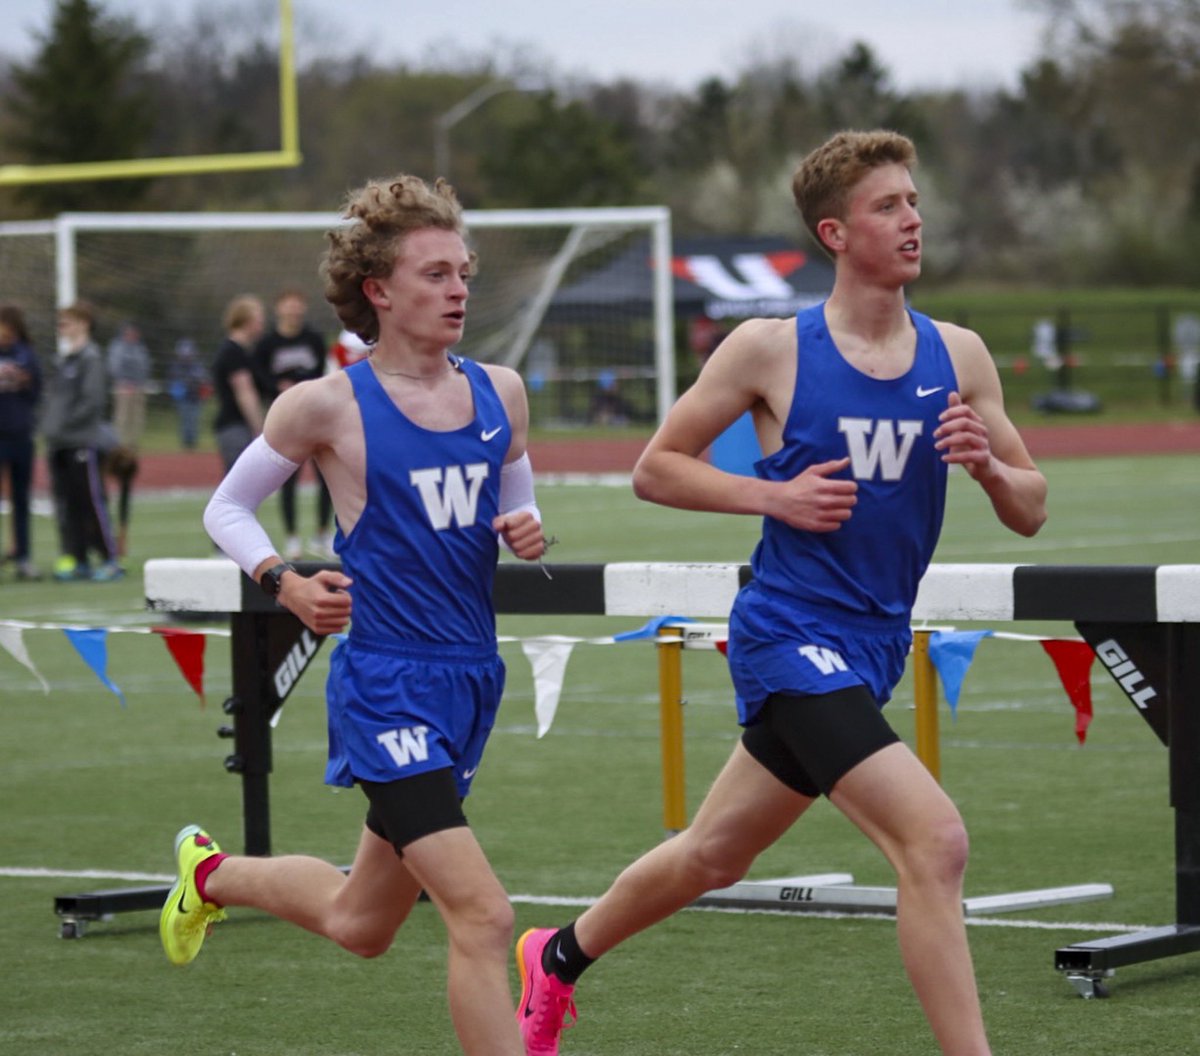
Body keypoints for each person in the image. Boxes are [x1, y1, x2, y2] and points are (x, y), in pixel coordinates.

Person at [514, 129, 1048, 1056]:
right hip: (788, 631)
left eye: (914, 201)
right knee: (936, 841)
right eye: (889, 206)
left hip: (874, 643)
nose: (913, 219)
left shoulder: (957, 354)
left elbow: (1033, 506)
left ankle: (555, 957)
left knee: (716, 854)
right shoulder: (769, 348)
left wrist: (990, 469)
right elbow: (656, 469)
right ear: (835, 234)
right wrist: (776, 494)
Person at [162, 174, 547, 1056]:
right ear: (378, 291)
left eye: (463, 273)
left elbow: (516, 485)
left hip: (470, 681)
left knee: (360, 922)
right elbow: (226, 508)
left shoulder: (502, 392)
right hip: (388, 684)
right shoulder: (327, 405)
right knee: (484, 916)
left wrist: (526, 526)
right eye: (434, 274)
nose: (457, 290)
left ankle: (210, 875)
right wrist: (283, 581)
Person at [41, 301, 123, 582]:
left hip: (82, 442)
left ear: (83, 323)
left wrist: (64, 424)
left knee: (91, 501)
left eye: (67, 322)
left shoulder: (92, 359)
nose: (62, 327)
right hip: (58, 443)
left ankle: (110, 558)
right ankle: (78, 559)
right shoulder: (63, 361)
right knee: (67, 504)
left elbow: (93, 401)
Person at [255, 287, 334, 558]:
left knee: (327, 475)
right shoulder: (267, 344)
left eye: (297, 304)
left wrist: (303, 387)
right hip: (284, 418)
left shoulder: (313, 338)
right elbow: (259, 375)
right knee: (288, 476)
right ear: (278, 308)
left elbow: (321, 370)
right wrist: (278, 386)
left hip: (314, 414)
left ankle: (323, 533)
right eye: (288, 304)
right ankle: (291, 537)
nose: (293, 309)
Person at [0, 304, 43, 581]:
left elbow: (36, 389)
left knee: (21, 500)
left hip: (20, 437)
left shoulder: (27, 356)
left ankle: (23, 557)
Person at [105, 320, 152, 557]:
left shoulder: (139, 349)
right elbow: (114, 366)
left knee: (135, 426)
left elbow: (145, 365)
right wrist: (124, 382)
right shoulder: (117, 348)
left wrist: (139, 382)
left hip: (138, 389)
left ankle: (131, 451)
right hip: (123, 389)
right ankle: (122, 450)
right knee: (123, 424)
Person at [211, 294, 267, 473]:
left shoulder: (243, 351)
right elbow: (245, 393)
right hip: (235, 426)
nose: (261, 326)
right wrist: (259, 429)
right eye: (259, 320)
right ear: (246, 321)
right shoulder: (233, 353)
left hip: (236, 426)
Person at [168, 338, 209, 450]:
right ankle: (185, 443)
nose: (187, 355)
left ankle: (193, 442)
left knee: (194, 420)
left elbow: (203, 379)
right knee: (185, 420)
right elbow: (175, 380)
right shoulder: (177, 366)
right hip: (184, 397)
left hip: (195, 397)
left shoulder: (197, 366)